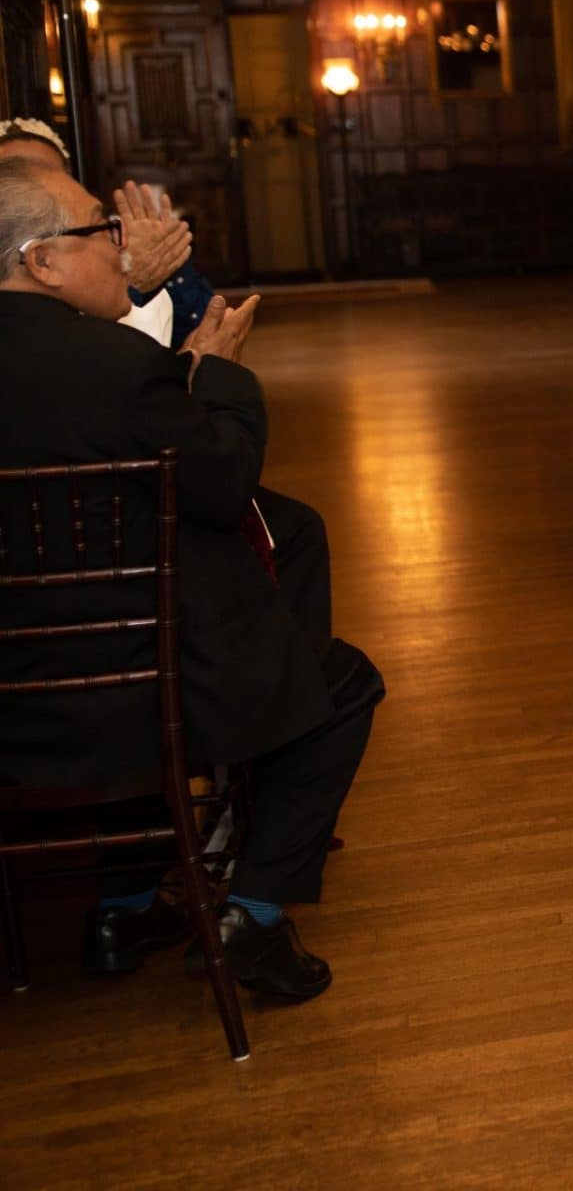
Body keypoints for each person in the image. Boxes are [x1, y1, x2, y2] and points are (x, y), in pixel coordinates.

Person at [0, 158, 382, 1004]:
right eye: (99, 232)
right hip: (143, 689)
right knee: (340, 685)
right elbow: (221, 485)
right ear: (42, 261)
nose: (119, 248)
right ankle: (253, 912)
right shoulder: (117, 367)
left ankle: (125, 905)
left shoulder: (104, 358)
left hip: (14, 703)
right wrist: (216, 377)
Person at [0, 119, 217, 346]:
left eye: (47, 174)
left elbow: (204, 324)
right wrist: (129, 286)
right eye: (12, 177)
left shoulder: (117, 241)